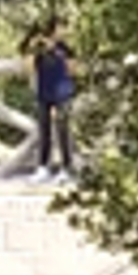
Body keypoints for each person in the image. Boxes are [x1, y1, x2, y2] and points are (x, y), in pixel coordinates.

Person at [30, 29, 77, 177]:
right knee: (44, 130)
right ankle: (43, 166)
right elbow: (31, 68)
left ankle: (67, 166)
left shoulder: (65, 49)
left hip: (63, 93)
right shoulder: (38, 50)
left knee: (63, 130)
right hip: (44, 93)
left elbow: (73, 68)